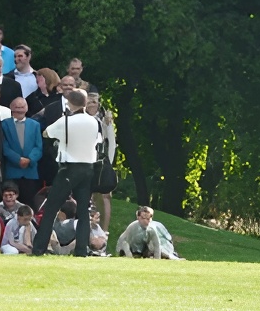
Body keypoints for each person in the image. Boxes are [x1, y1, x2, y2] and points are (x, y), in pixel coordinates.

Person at [33, 89, 101, 257]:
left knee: (51, 209)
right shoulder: (94, 122)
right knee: (84, 211)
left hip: (69, 169)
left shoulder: (66, 121)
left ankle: (39, 248)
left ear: (70, 103)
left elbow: (47, 132)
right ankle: (81, 250)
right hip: (88, 169)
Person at [1, 97, 43, 208]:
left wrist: (29, 159)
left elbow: (38, 147)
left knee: (29, 204)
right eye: (17, 107)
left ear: (27, 108)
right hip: (12, 170)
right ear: (11, 108)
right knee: (10, 204)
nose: (19, 110)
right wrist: (18, 159)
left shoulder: (35, 125)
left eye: (22, 107)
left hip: (30, 171)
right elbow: (4, 146)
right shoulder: (4, 124)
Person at [86, 92, 116, 230]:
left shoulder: (105, 120)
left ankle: (104, 231)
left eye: (94, 102)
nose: (92, 104)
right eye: (89, 101)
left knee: (105, 196)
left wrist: (108, 163)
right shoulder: (80, 118)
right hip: (85, 160)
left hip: (102, 161)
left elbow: (111, 142)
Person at [117, 206, 183, 259]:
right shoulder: (133, 227)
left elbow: (157, 244)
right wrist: (129, 256)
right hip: (126, 250)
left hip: (142, 250)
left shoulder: (151, 229)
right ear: (138, 217)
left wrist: (157, 259)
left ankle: (171, 256)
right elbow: (124, 243)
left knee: (152, 247)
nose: (147, 221)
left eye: (149, 218)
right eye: (144, 218)